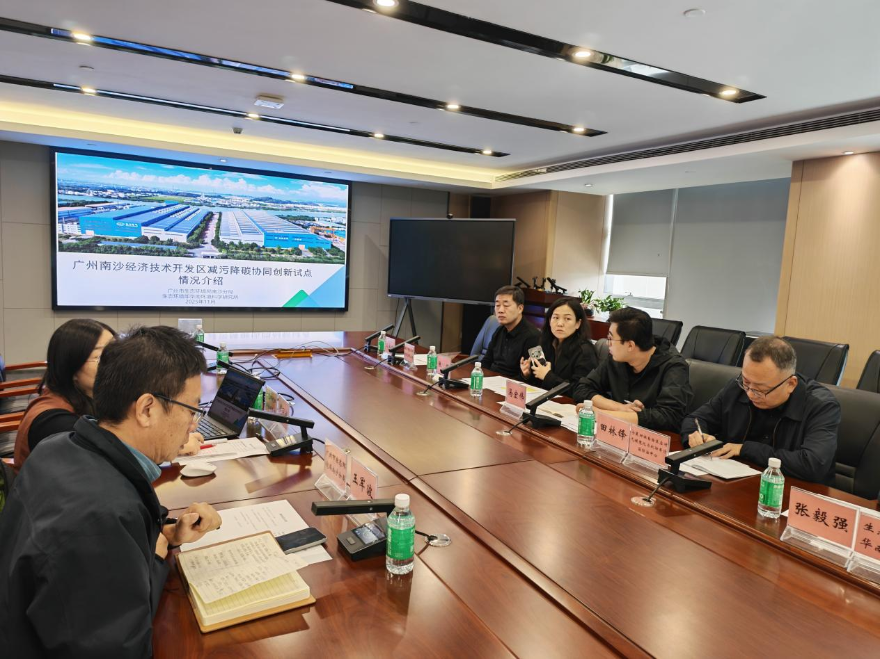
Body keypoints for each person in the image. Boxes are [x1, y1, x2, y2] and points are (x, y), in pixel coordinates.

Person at [0, 326, 223, 657]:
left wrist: (168, 533)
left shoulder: (60, 446)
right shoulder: (101, 516)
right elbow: (118, 647)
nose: (193, 424)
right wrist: (156, 555)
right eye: (191, 410)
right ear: (147, 409)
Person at [13, 319, 202, 471]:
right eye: (100, 357)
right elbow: (108, 463)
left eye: (114, 351)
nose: (114, 361)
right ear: (70, 365)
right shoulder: (54, 422)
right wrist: (170, 445)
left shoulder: (88, 399)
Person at [681, 336, 840, 484]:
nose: (750, 393)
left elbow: (813, 464)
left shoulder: (821, 407)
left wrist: (745, 449)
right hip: (736, 484)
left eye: (761, 389)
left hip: (790, 492)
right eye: (746, 381)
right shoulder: (737, 388)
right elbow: (695, 419)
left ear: (791, 384)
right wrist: (696, 435)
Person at [573, 307, 692, 431]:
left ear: (630, 345)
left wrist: (602, 415)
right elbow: (582, 389)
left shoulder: (674, 367)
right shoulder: (617, 358)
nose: (608, 343)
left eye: (611, 339)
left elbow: (669, 416)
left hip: (653, 438)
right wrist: (620, 408)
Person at [520, 297, 598, 396]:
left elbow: (580, 391)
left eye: (567, 319)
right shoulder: (546, 343)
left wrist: (548, 376)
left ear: (578, 323)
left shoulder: (585, 352)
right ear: (549, 320)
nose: (560, 324)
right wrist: (527, 374)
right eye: (556, 318)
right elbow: (539, 383)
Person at [480, 285, 541, 380]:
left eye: (506, 305)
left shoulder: (533, 336)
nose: (500, 310)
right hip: (491, 380)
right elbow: (486, 361)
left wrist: (525, 375)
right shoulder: (499, 330)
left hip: (512, 385)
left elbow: (535, 376)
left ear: (520, 308)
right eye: (497, 305)